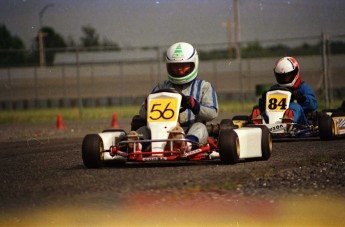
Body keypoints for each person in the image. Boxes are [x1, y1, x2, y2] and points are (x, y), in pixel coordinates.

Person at [131, 42, 218, 151]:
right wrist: (147, 106)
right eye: (175, 66)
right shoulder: (161, 87)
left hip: (189, 129)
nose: (179, 69)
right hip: (159, 130)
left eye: (183, 65)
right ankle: (136, 145)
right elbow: (143, 115)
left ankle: (184, 144)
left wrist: (195, 106)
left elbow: (213, 113)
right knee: (143, 129)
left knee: (200, 127)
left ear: (193, 64)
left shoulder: (204, 87)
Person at [252, 56, 318, 125]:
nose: (284, 79)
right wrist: (264, 99)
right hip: (274, 119)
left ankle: (288, 120)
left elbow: (313, 105)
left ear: (295, 73)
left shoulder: (303, 87)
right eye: (281, 77)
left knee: (295, 106)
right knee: (261, 110)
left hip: (300, 122)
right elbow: (264, 107)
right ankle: (259, 121)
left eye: (287, 77)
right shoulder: (275, 88)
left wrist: (301, 98)